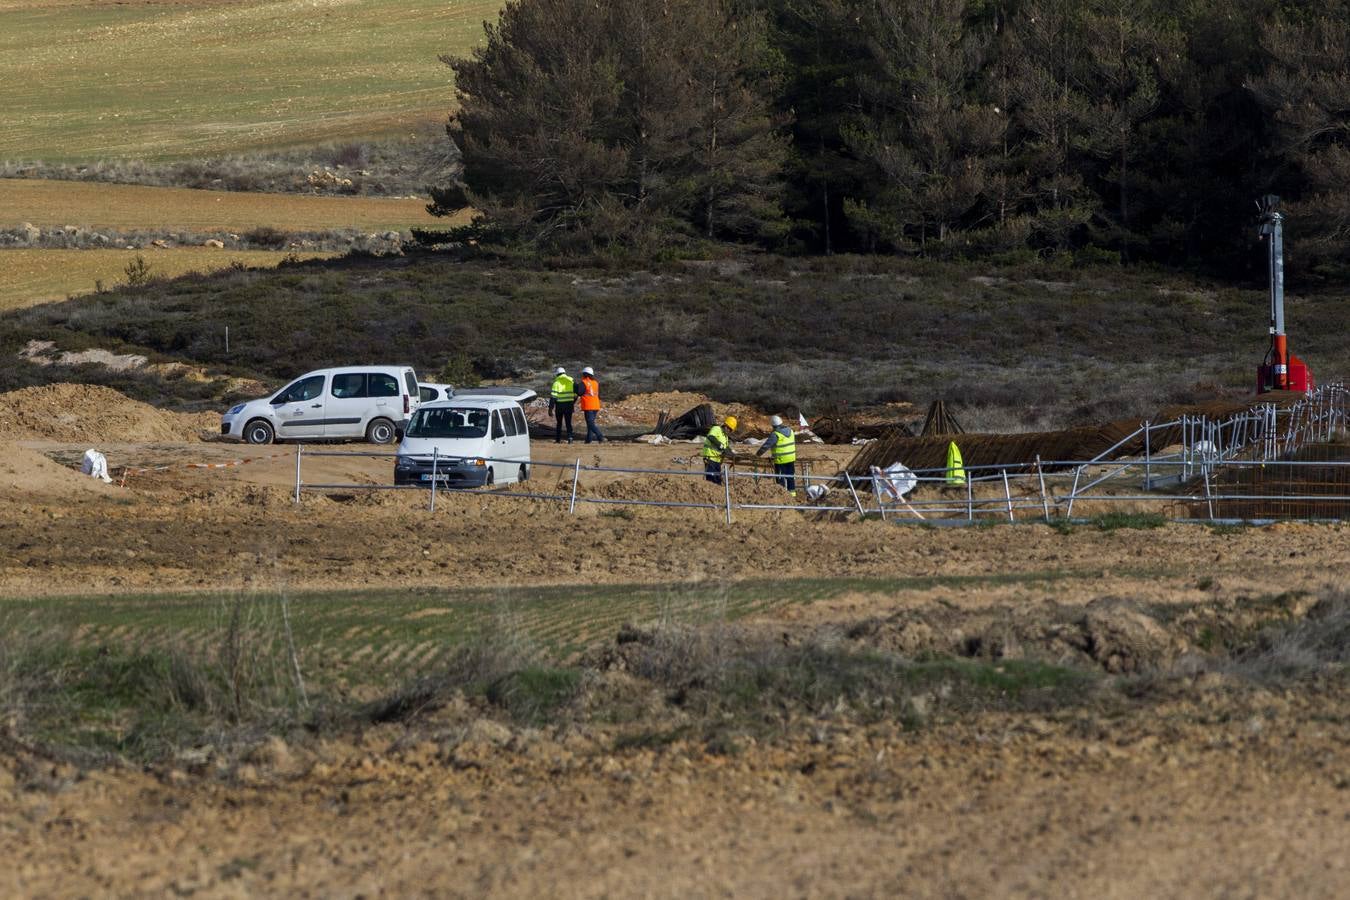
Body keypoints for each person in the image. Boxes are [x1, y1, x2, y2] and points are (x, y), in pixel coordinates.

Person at [756, 414, 797, 491]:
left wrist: (757, 454)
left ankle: (782, 495)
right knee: (790, 477)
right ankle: (792, 495)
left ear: (773, 425)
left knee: (780, 478)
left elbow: (766, 446)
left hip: (781, 460)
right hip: (791, 458)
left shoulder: (775, 434)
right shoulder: (791, 431)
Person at [702, 415, 737, 484]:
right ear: (725, 426)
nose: (729, 431)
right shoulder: (716, 429)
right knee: (711, 479)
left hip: (717, 460)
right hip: (710, 457)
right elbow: (711, 437)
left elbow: (726, 448)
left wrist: (733, 455)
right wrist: (720, 445)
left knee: (717, 480)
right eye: (729, 429)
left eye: (731, 430)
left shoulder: (725, 437)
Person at [548, 366, 576, 443]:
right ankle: (570, 438)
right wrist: (572, 402)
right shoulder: (571, 381)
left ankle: (558, 439)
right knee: (568, 423)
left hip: (560, 406)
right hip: (569, 405)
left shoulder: (556, 383)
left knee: (559, 423)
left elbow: (553, 397)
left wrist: (550, 409)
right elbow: (576, 395)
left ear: (557, 374)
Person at [578, 366, 605, 443]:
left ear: (585, 374)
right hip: (595, 405)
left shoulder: (583, 383)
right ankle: (588, 440)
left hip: (588, 405)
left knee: (590, 423)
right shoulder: (595, 383)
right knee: (590, 423)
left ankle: (600, 436)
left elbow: (579, 393)